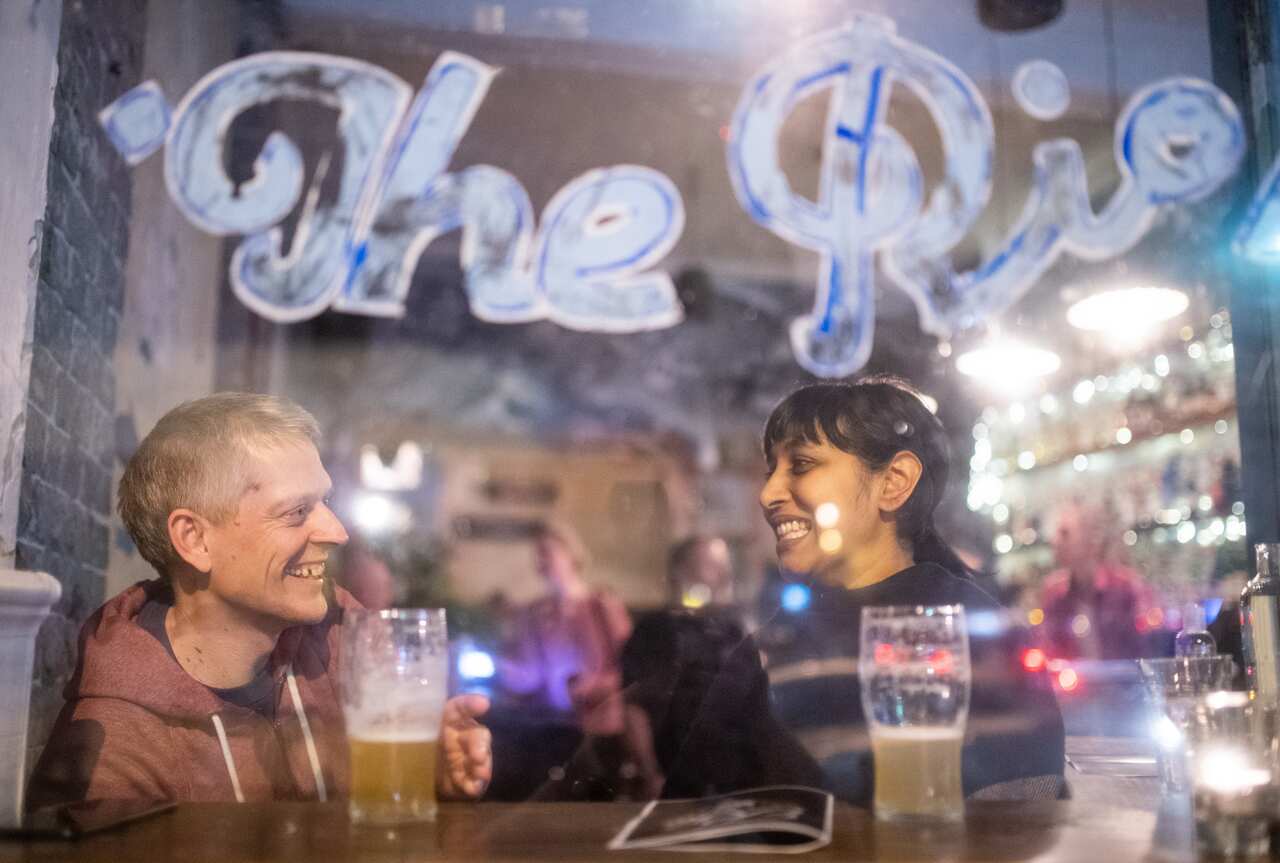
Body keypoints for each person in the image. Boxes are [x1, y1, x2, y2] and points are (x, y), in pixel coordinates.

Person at [27, 393, 492, 807]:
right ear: (194, 540)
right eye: (296, 512)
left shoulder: (338, 635)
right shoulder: (114, 755)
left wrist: (428, 773)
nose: (336, 532)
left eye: (324, 503)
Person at [629, 378, 1065, 804]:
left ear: (894, 481)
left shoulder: (969, 626)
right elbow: (691, 804)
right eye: (771, 470)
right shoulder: (774, 643)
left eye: (800, 464)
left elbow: (1026, 797)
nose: (768, 493)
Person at [497, 520, 633, 798]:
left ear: (571, 554)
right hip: (553, 730)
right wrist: (503, 672)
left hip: (599, 729)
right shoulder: (534, 613)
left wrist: (593, 686)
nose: (542, 561)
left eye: (548, 552)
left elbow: (630, 665)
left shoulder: (601, 605)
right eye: (538, 554)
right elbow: (528, 675)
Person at [1038, 501, 1153, 659]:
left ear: (1092, 538)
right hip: (1075, 682)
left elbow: (1145, 650)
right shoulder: (1054, 592)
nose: (1055, 541)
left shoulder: (1125, 587)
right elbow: (1050, 651)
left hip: (1123, 682)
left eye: (1064, 533)